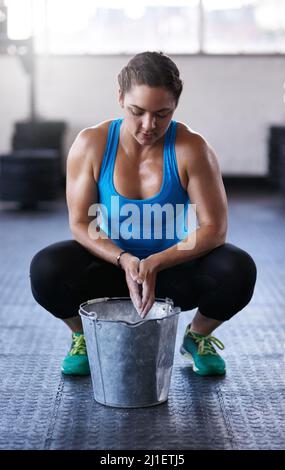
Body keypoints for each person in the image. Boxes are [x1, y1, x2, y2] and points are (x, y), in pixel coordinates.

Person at [30, 51, 257, 377]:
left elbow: (214, 228)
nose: (149, 125)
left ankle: (198, 336)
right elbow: (81, 223)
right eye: (137, 112)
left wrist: (156, 262)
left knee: (238, 269)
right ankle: (82, 336)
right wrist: (124, 259)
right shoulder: (92, 144)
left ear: (175, 107)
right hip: (111, 268)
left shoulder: (192, 148)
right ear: (120, 97)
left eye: (162, 114)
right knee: (47, 268)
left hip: (170, 271)